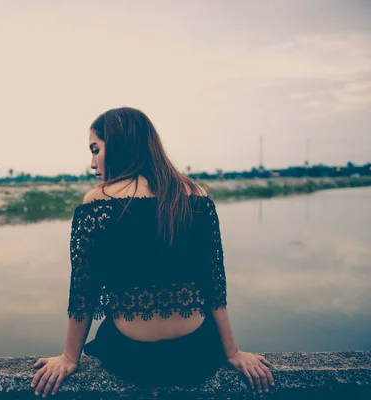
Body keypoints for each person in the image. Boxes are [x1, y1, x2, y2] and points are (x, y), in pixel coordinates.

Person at [31, 107, 274, 398]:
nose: (92, 162)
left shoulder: (98, 201)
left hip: (129, 356)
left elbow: (84, 289)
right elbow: (214, 283)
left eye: (96, 149)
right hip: (196, 353)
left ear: (120, 144)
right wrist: (232, 352)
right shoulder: (196, 195)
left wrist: (70, 358)